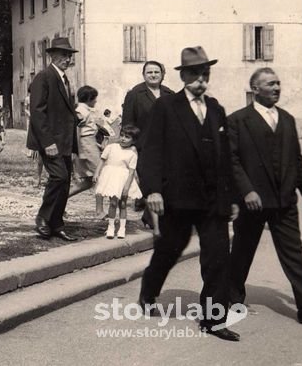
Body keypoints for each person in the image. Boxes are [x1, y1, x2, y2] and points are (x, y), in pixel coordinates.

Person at [138, 46, 239, 341]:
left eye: (205, 74)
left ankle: (213, 320)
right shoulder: (166, 107)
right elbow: (151, 150)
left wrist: (231, 196)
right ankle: (149, 291)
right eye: (195, 74)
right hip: (178, 198)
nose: (201, 81)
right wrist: (153, 189)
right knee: (169, 251)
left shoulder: (217, 109)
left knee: (218, 257)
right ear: (184, 76)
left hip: (212, 200)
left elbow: (226, 157)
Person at [228, 67, 302, 326]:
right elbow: (231, 161)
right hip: (252, 202)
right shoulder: (238, 120)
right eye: (270, 84)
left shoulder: (287, 119)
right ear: (255, 89)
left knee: (294, 253)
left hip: (284, 201)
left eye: (278, 83)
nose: (277, 88)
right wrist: (247, 190)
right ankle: (232, 297)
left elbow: (297, 160)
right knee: (243, 250)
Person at [27, 36, 79, 242]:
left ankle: (56, 223)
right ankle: (43, 217)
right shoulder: (44, 77)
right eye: (64, 55)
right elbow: (38, 112)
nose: (67, 59)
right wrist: (47, 143)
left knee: (65, 182)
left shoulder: (65, 80)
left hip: (65, 140)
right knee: (59, 177)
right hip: (51, 141)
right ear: (53, 55)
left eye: (69, 56)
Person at [122, 61, 175, 230]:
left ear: (162, 74)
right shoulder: (135, 94)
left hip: (167, 147)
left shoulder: (169, 94)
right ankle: (153, 219)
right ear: (144, 75)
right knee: (148, 182)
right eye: (149, 72)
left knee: (166, 182)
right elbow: (127, 123)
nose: (153, 75)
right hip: (143, 146)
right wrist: (130, 146)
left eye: (156, 72)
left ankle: (150, 217)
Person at [94, 125, 142, 239]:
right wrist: (97, 173)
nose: (123, 139)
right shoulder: (111, 147)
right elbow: (102, 161)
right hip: (111, 177)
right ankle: (110, 227)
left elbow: (131, 172)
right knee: (113, 203)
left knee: (123, 204)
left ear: (134, 140)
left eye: (127, 137)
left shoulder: (132, 152)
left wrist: (126, 187)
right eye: (122, 135)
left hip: (124, 179)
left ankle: (122, 228)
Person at [70, 86, 101, 204]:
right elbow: (76, 131)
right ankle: (100, 210)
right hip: (86, 147)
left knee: (88, 182)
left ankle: (60, 202)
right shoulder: (81, 111)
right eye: (94, 98)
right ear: (89, 98)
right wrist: (80, 152)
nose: (96, 101)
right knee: (100, 176)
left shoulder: (85, 110)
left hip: (90, 144)